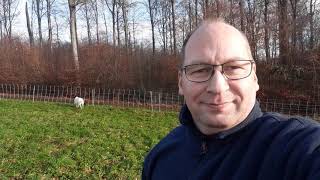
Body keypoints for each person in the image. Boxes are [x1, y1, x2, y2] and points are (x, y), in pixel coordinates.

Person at [142, 18, 320, 180]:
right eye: (200, 70)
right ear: (181, 82)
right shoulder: (160, 157)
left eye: (233, 67)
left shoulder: (296, 148)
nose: (218, 87)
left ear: (254, 78)